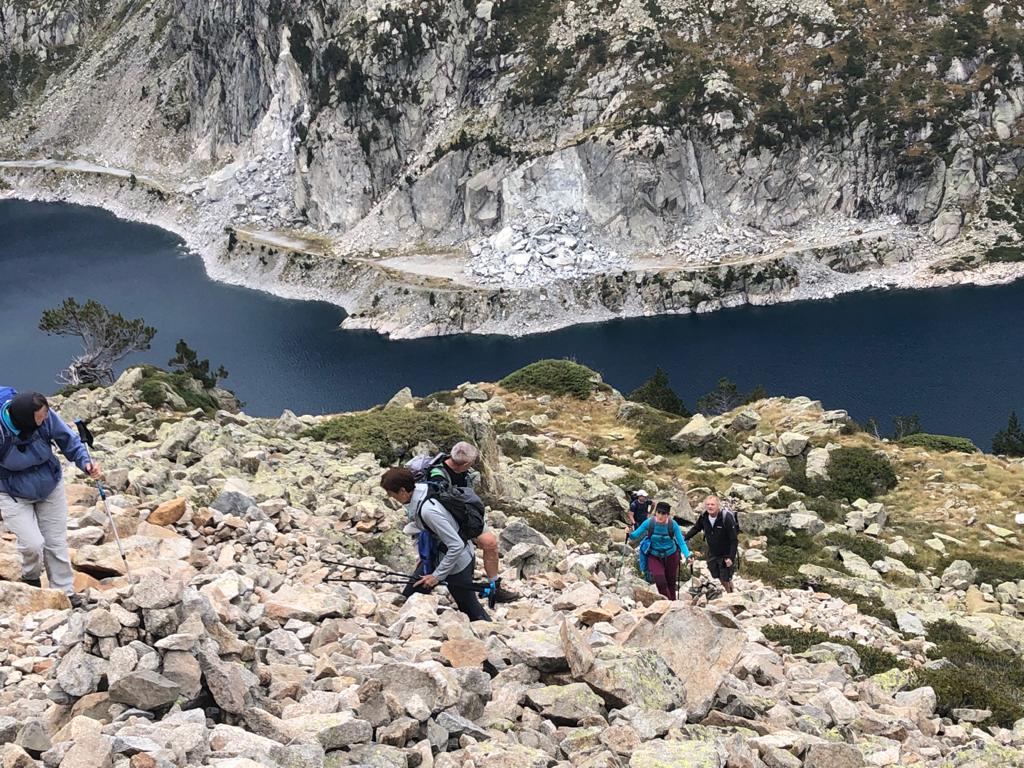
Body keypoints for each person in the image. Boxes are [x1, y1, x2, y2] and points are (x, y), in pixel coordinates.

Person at [0, 391, 101, 607]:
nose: (45, 419)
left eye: (46, 414)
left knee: (56, 542)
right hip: (12, 493)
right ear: (25, 419)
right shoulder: (2, 432)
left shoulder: (45, 417)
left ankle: (64, 594)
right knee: (32, 545)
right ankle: (30, 577)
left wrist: (85, 463)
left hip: (49, 484)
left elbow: (68, 439)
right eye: (40, 417)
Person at [380, 467, 489, 622]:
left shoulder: (428, 510)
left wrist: (437, 576)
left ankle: (492, 633)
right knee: (411, 595)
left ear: (403, 491)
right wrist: (423, 556)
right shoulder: (422, 489)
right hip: (436, 554)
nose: (391, 497)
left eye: (391, 494)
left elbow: (456, 545)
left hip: (458, 563)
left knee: (470, 608)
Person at [427, 441, 517, 603]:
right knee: (446, 548)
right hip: (447, 519)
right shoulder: (437, 475)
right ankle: (426, 580)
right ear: (466, 463)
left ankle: (493, 586)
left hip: (467, 517)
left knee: (490, 544)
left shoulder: (464, 472)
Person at [627, 501, 690, 600]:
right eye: (658, 512)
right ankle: (668, 603)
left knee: (671, 582)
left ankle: (673, 605)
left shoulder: (673, 525)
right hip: (654, 555)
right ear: (655, 512)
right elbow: (634, 535)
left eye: (663, 513)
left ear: (668, 515)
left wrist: (688, 556)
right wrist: (629, 532)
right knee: (660, 581)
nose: (660, 516)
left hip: (671, 555)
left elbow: (681, 542)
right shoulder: (649, 522)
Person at [684, 495, 738, 594]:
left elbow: (734, 540)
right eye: (708, 504)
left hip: (725, 553)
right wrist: (685, 538)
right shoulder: (704, 517)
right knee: (715, 575)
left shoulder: (726, 518)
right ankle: (730, 586)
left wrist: (731, 557)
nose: (710, 507)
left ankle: (731, 595)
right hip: (712, 552)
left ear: (718, 506)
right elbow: (696, 528)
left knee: (724, 577)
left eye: (712, 504)